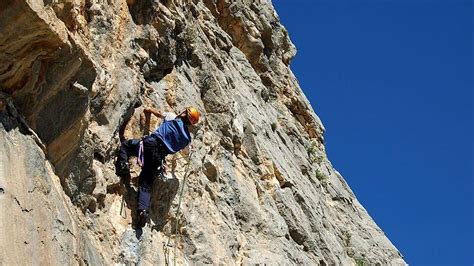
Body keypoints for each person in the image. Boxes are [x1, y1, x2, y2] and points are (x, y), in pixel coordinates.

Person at [115, 106, 200, 227]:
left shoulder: (172, 117)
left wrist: (148, 110)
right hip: (159, 157)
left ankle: (123, 165)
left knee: (126, 146)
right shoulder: (186, 139)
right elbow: (187, 153)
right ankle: (142, 211)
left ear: (183, 114)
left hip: (150, 144)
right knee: (146, 183)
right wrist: (191, 150)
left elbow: (159, 113)